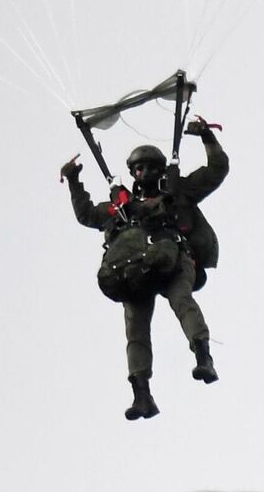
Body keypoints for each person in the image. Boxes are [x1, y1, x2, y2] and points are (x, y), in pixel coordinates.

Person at [60, 115, 229, 420]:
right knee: (135, 329)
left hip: (176, 259)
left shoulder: (178, 193)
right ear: (133, 173)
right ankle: (142, 396)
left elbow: (217, 170)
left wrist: (206, 137)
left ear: (161, 170)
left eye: (151, 167)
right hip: (139, 268)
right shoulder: (124, 208)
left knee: (183, 302)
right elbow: (87, 214)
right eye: (140, 168)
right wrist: (74, 181)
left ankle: (204, 356)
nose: (146, 172)